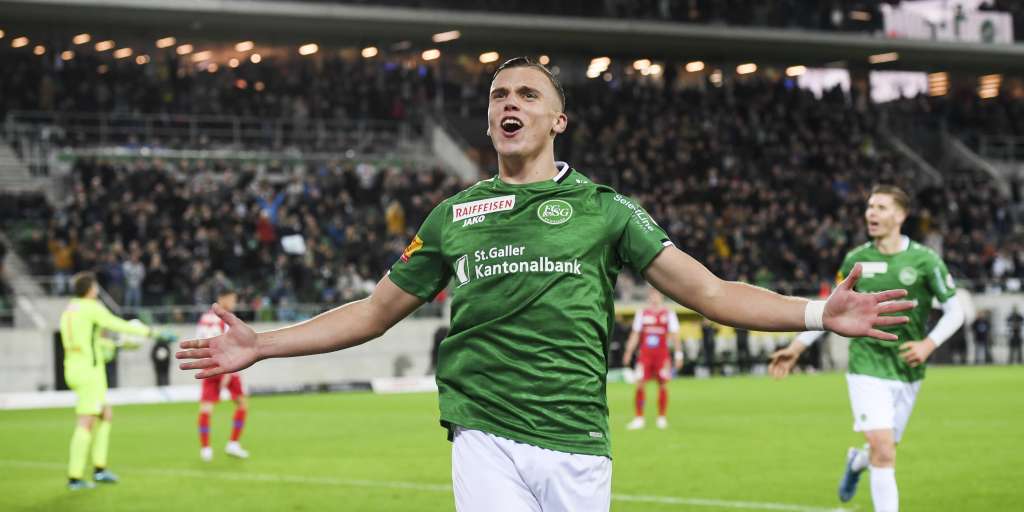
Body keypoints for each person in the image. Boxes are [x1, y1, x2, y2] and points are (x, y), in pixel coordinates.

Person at [178, 57, 912, 512]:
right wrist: (263, 345)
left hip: (577, 439)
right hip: (484, 431)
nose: (510, 102)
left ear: (558, 119)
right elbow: (374, 312)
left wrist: (818, 313)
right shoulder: (453, 216)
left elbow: (712, 293)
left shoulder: (605, 209)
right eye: (500, 94)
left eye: (528, 94)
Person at [770, 185, 965, 512]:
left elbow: (955, 311)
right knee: (884, 450)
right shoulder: (856, 260)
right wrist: (797, 347)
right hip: (866, 366)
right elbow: (829, 311)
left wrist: (928, 344)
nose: (871, 213)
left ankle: (856, 462)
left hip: (908, 367)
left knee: (882, 450)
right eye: (870, 206)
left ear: (900, 215)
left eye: (881, 207)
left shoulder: (925, 260)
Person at [60, 271, 160, 490]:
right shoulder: (91, 307)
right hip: (89, 372)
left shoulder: (69, 310)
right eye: (95, 287)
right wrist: (149, 332)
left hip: (75, 367)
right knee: (86, 421)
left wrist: (115, 346)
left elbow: (89, 341)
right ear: (91, 289)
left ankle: (99, 468)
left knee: (105, 414)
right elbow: (115, 323)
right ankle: (75, 477)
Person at [196, 288, 249, 461]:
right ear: (222, 298)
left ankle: (206, 449)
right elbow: (226, 347)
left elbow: (199, 341)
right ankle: (233, 443)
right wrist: (227, 371)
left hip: (208, 365)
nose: (234, 302)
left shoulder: (204, 318)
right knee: (242, 404)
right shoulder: (226, 319)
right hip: (226, 366)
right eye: (232, 299)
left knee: (206, 408)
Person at [622, 287, 682, 430]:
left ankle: (661, 417)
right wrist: (628, 352)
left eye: (657, 295)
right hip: (645, 355)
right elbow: (635, 334)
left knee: (662, 384)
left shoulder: (669, 314)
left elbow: (675, 336)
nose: (654, 298)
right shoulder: (642, 313)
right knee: (640, 384)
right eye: (652, 295)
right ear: (649, 297)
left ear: (661, 297)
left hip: (662, 356)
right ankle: (639, 418)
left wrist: (679, 354)